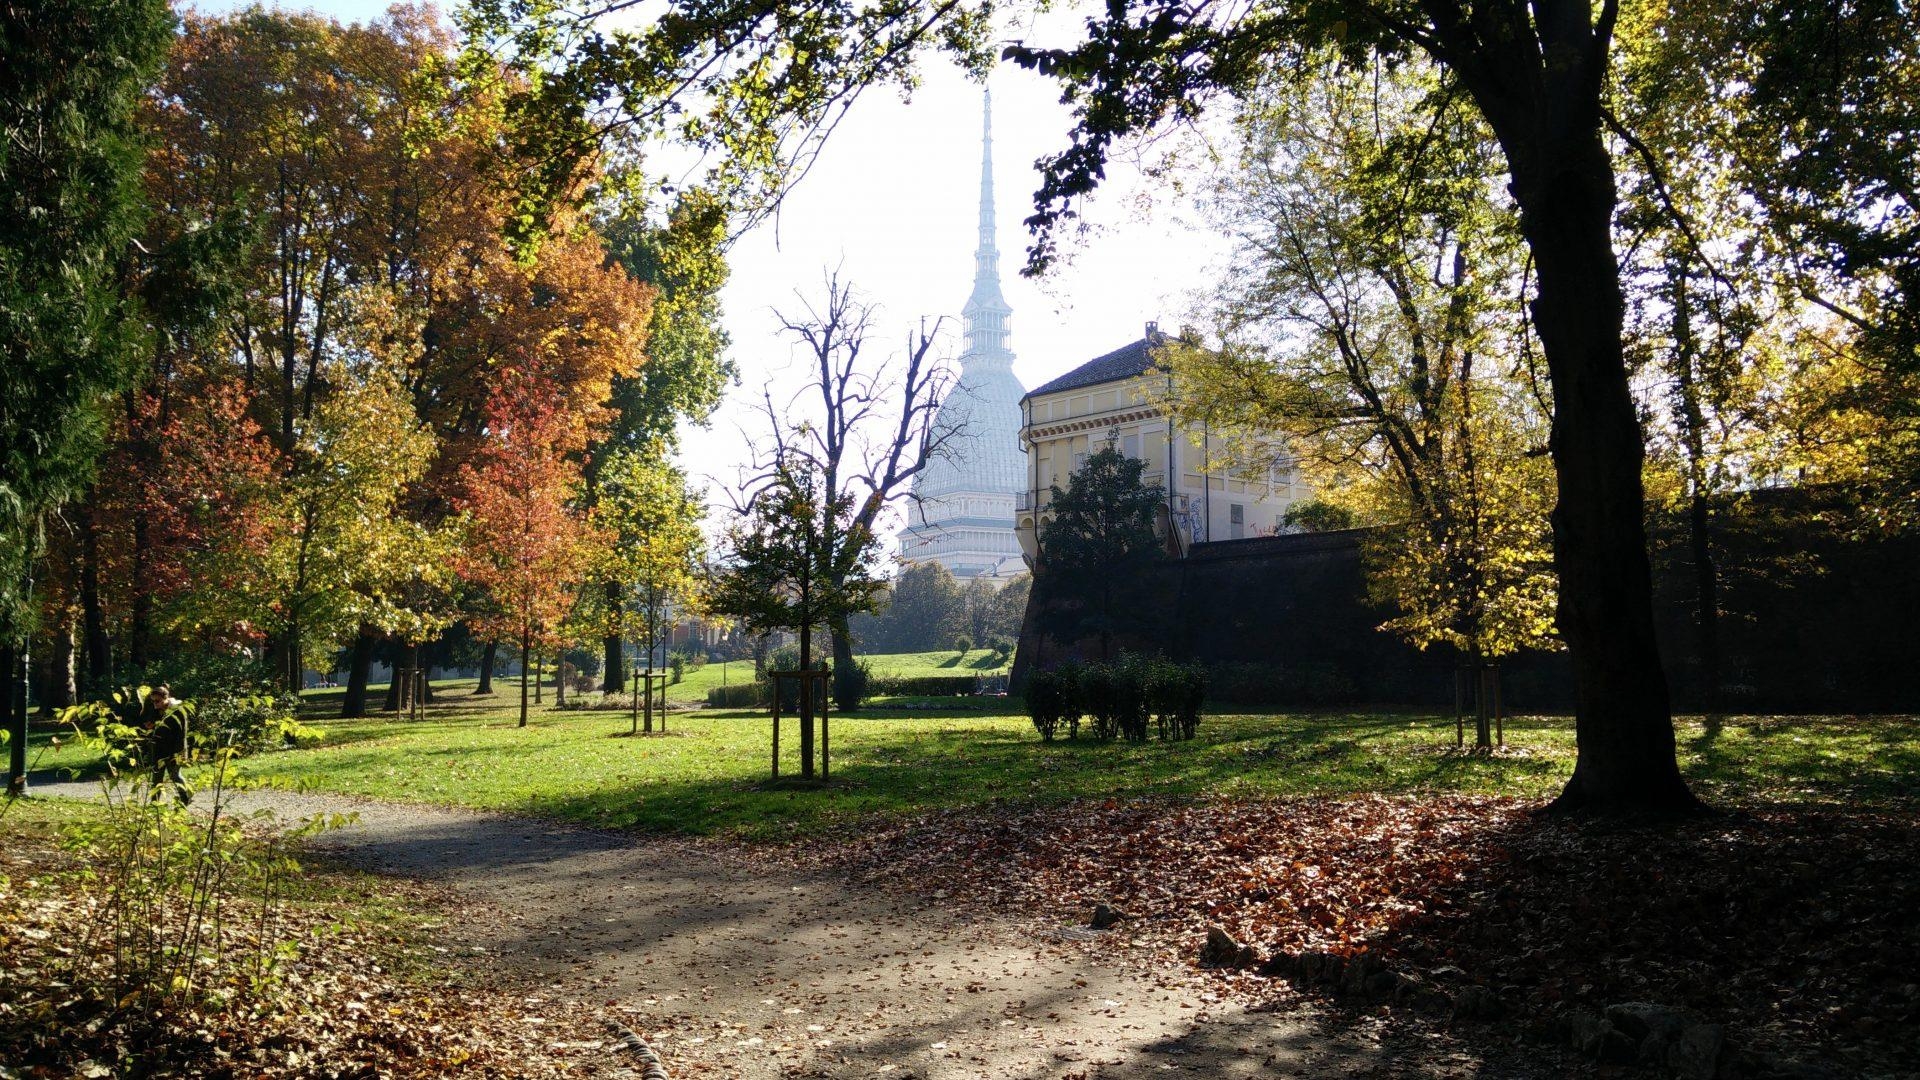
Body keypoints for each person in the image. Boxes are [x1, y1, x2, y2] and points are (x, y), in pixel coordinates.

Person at [139, 684, 191, 807]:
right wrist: (151, 727)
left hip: (175, 749)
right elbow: (152, 725)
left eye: (157, 701)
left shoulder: (178, 711)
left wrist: (179, 753)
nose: (155, 704)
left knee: (175, 776)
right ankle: (154, 804)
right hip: (159, 749)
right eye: (153, 701)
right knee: (156, 778)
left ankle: (185, 799)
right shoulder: (156, 710)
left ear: (166, 697)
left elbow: (182, 733)